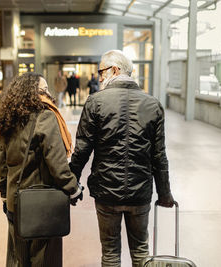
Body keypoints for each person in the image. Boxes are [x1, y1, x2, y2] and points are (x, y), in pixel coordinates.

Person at [69, 50, 175, 267]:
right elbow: (159, 156)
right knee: (140, 250)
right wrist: (164, 193)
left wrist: (71, 183)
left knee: (110, 253)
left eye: (101, 71)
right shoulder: (153, 104)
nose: (99, 78)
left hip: (107, 192)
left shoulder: (95, 102)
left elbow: (82, 149)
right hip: (140, 192)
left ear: (115, 70)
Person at [0, 72, 83, 267]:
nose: (48, 94)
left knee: (18, 258)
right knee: (43, 259)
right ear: (34, 92)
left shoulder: (9, 117)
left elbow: (3, 162)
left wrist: (4, 193)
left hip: (14, 202)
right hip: (40, 203)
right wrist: (73, 189)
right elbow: (56, 162)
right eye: (44, 89)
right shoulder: (45, 116)